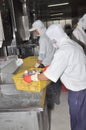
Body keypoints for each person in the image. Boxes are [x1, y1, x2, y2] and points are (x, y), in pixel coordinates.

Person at [24, 23, 86, 130]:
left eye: (52, 40)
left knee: (78, 117)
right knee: (81, 116)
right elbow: (67, 63)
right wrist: (50, 67)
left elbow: (48, 76)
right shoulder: (73, 44)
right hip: (82, 84)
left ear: (54, 38)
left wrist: (32, 78)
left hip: (77, 89)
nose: (52, 43)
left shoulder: (63, 51)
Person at [29, 20, 62, 108]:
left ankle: (50, 103)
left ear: (39, 29)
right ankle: (57, 99)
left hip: (46, 64)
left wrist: (35, 66)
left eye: (35, 30)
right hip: (54, 62)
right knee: (56, 82)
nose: (35, 33)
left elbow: (41, 55)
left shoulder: (42, 38)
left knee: (48, 84)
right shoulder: (50, 35)